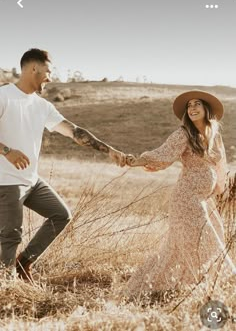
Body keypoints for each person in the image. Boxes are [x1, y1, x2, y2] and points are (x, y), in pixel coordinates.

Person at [0, 48, 126, 282]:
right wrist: (7, 151)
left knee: (61, 215)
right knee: (10, 236)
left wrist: (109, 150)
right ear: (34, 68)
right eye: (48, 71)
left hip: (31, 180)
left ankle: (24, 262)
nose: (50, 77)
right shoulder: (4, 95)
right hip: (6, 181)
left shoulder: (42, 106)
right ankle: (6, 285)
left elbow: (74, 131)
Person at [125, 90, 236, 299]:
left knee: (200, 241)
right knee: (203, 241)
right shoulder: (183, 134)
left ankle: (192, 287)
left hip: (204, 199)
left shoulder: (214, 135)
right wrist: (137, 160)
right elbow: (163, 154)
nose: (192, 108)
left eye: (197, 104)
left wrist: (220, 191)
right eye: (189, 106)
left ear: (206, 109)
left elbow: (220, 166)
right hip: (186, 198)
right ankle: (154, 288)